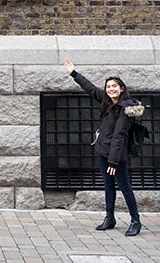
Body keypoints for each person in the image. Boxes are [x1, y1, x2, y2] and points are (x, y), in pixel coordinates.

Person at [64, 58, 142, 236]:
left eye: (114, 86)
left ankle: (136, 221)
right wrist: (74, 73)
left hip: (117, 156)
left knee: (124, 186)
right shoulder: (107, 102)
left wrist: (113, 162)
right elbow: (90, 88)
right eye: (108, 87)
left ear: (121, 88)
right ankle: (110, 218)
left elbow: (119, 136)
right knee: (108, 185)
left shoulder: (125, 108)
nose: (111, 89)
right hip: (102, 151)